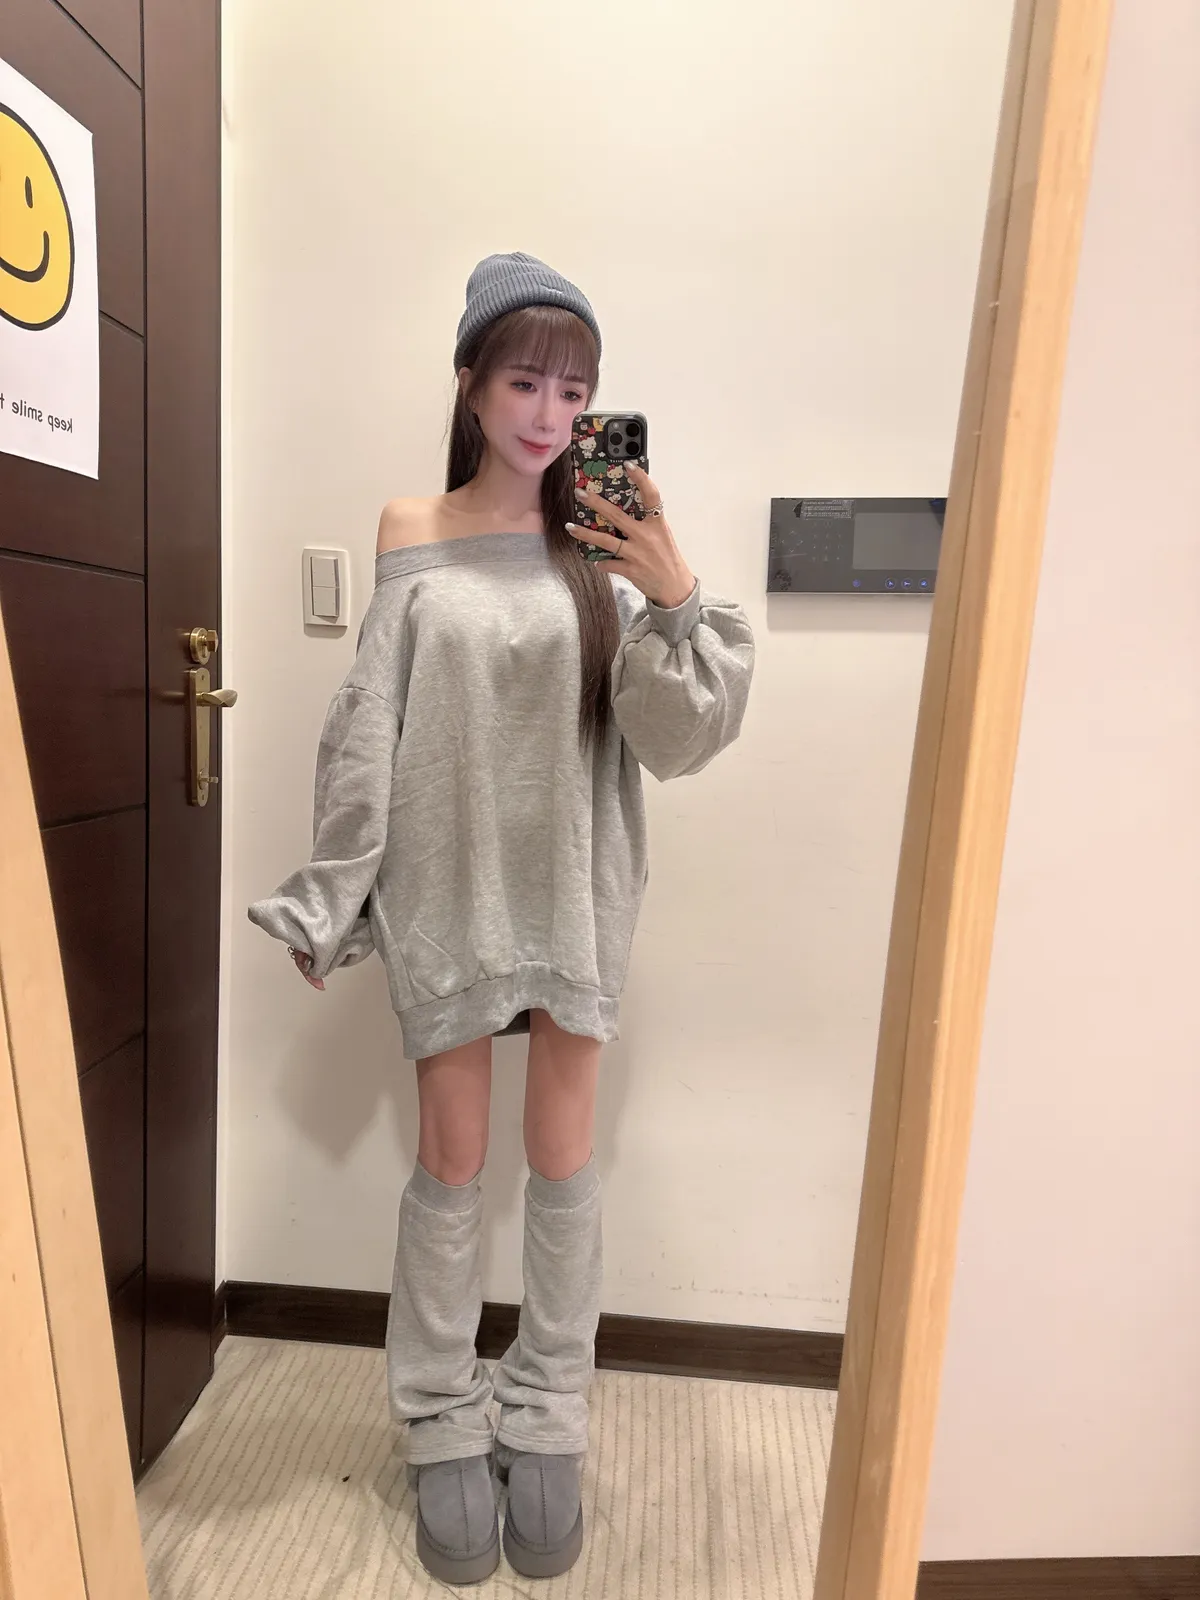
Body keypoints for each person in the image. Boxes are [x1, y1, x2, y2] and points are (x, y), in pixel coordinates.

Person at [248, 251, 755, 1585]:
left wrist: (672, 586)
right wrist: (331, 892)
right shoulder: (411, 527)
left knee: (564, 1162)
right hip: (448, 883)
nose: (549, 413)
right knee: (452, 1160)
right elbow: (372, 722)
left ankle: (547, 1408)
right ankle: (438, 1415)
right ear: (471, 383)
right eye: (526, 381)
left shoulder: (603, 544)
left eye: (574, 391)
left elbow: (676, 739)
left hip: (577, 885)